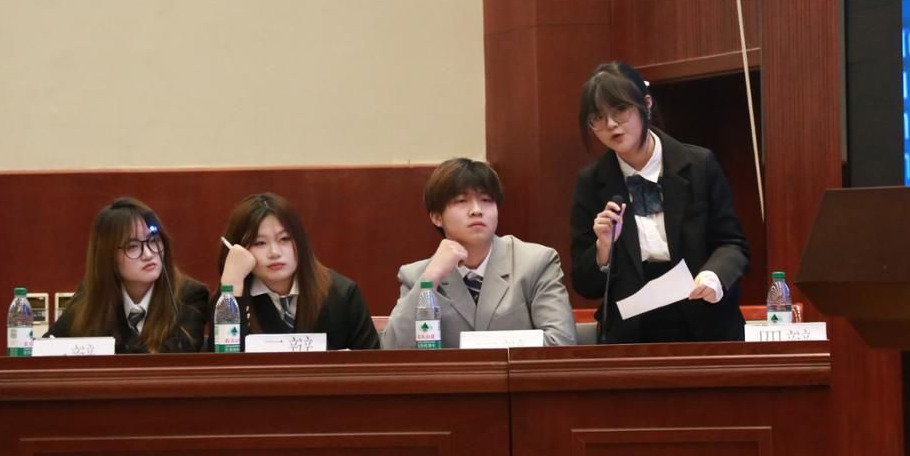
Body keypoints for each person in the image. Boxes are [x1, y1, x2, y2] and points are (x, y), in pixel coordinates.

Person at [570, 62, 750, 342]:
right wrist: (603, 250)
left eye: (620, 109)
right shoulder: (591, 182)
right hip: (632, 332)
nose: (611, 124)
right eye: (598, 117)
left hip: (704, 319)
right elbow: (584, 284)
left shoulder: (698, 165)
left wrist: (714, 276)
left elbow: (732, 244)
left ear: (646, 104)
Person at [383, 158, 576, 349]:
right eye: (461, 201)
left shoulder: (535, 263)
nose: (476, 210)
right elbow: (392, 350)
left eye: (486, 200)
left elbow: (561, 342)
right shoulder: (417, 276)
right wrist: (430, 279)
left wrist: (479, 346)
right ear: (436, 217)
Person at [216, 193, 379, 350]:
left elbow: (371, 363)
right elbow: (221, 363)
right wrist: (231, 287)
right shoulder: (230, 295)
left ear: (301, 241)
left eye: (284, 239)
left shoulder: (342, 293)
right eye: (259, 243)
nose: (274, 252)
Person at [49, 197, 208, 352]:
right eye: (132, 246)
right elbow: (48, 346)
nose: (148, 254)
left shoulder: (189, 296)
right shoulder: (90, 296)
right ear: (107, 256)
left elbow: (173, 356)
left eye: (153, 241)